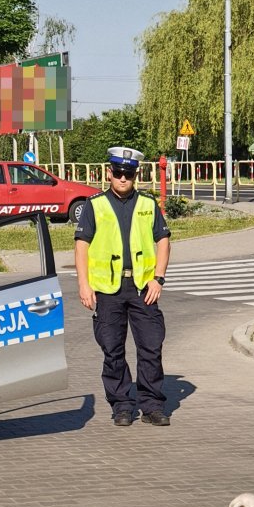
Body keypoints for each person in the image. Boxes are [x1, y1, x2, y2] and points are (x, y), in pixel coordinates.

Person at [74, 146, 172, 427]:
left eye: (128, 174)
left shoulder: (147, 204)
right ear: (109, 173)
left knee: (151, 347)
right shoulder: (95, 205)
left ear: (136, 175)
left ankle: (152, 406)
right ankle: (121, 405)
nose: (122, 178)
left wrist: (158, 278)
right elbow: (81, 246)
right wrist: (84, 284)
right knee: (112, 349)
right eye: (118, 173)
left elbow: (163, 240)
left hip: (143, 288)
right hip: (108, 290)